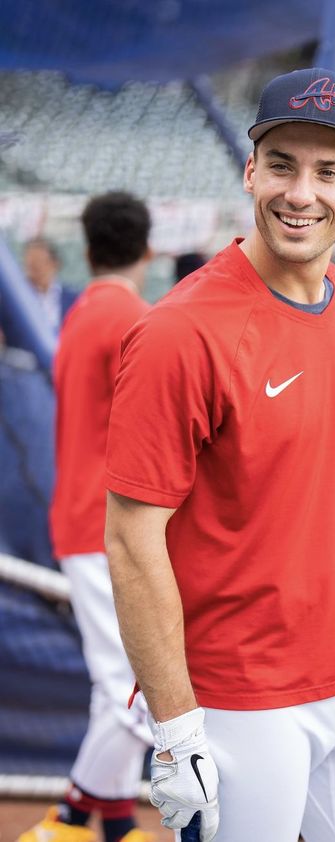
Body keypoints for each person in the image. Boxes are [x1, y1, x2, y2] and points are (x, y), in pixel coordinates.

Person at [104, 69, 335, 842]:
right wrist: (178, 730)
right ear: (251, 171)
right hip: (240, 697)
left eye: (327, 171)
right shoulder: (179, 334)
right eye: (281, 164)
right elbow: (130, 539)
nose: (300, 192)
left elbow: (326, 456)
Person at [18, 193, 156, 842]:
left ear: (89, 249)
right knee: (140, 690)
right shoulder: (131, 315)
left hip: (82, 518)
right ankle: (69, 818)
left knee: (116, 686)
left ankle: (116, 824)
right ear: (147, 251)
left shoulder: (79, 312)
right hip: (113, 526)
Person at [0, 238, 77, 348]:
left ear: (55, 264)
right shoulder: (13, 303)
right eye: (30, 265)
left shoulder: (74, 300)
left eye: (40, 263)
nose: (34, 270)